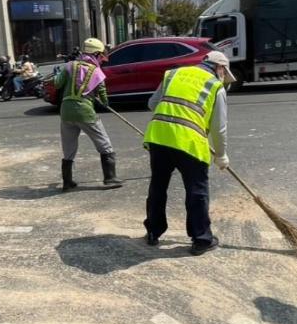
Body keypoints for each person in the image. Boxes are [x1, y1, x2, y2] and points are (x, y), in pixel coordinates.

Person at [142, 51, 233, 256]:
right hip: (189, 143)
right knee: (196, 190)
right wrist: (221, 155)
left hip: (159, 137)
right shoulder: (215, 86)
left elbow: (152, 104)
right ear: (220, 68)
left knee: (158, 186)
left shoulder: (173, 74)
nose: (223, 78)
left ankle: (153, 232)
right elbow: (219, 128)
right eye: (224, 73)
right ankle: (201, 239)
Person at [54, 37, 122, 191]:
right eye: (101, 56)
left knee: (69, 148)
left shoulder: (69, 66)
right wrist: (103, 102)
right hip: (85, 112)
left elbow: (57, 83)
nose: (103, 60)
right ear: (96, 54)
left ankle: (67, 182)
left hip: (66, 112)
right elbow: (103, 96)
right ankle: (110, 178)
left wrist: (59, 72)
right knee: (104, 144)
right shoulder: (97, 72)